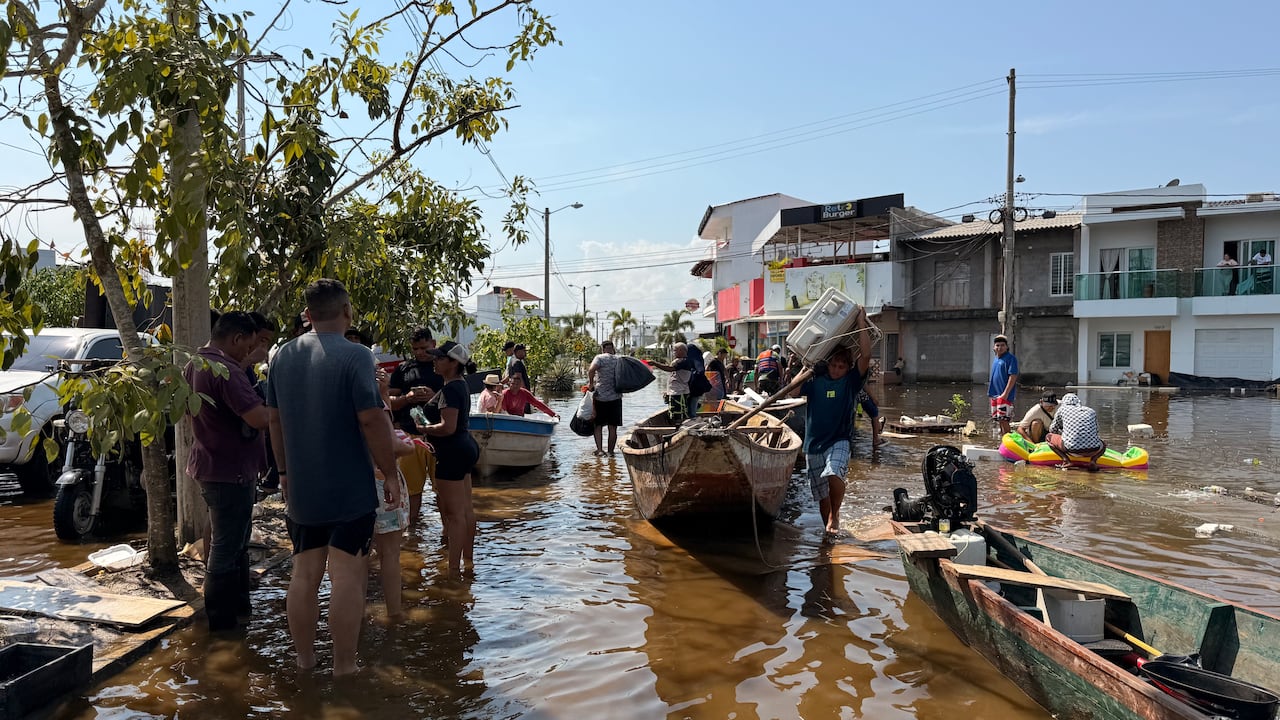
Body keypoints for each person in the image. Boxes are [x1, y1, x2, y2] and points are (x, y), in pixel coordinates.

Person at [266, 279, 401, 676]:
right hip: (349, 488)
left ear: (307, 314)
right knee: (346, 576)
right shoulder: (357, 356)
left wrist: (285, 471)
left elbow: (273, 420)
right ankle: (345, 667)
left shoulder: (281, 356)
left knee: (304, 574)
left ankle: (304, 662)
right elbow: (372, 419)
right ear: (347, 311)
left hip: (304, 488)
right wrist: (390, 473)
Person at [185, 311, 272, 632]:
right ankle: (223, 626)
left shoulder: (195, 362)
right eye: (248, 347)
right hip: (229, 469)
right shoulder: (227, 371)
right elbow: (259, 418)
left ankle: (237, 611)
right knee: (226, 548)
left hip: (211, 463)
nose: (248, 353)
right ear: (236, 339)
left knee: (233, 543)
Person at [791, 307, 873, 538]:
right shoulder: (816, 381)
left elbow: (865, 356)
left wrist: (860, 322)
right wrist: (807, 370)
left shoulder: (850, 382)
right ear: (827, 365)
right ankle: (829, 529)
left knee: (833, 473)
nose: (837, 370)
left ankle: (835, 515)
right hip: (813, 444)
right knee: (820, 494)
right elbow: (792, 392)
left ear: (847, 368)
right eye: (833, 365)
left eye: (841, 366)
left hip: (839, 440)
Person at [414, 340, 480, 577]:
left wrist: (424, 428)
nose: (434, 361)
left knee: (454, 515)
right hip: (465, 447)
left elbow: (448, 427)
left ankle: (453, 571)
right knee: (465, 510)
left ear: (453, 363)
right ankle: (468, 562)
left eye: (440, 358)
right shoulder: (459, 385)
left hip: (451, 451)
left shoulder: (451, 388)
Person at [387, 328, 442, 525]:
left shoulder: (443, 366)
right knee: (411, 491)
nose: (420, 352)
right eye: (415, 349)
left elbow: (458, 396)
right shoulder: (404, 369)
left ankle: (447, 536)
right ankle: (412, 534)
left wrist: (434, 397)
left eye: (424, 348)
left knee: (443, 490)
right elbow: (389, 401)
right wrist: (407, 398)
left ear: (433, 344)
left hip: (440, 436)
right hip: (411, 437)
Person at [373, 366, 415, 623]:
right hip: (382, 484)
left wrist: (385, 394)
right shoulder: (374, 406)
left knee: (353, 559)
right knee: (389, 555)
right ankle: (395, 614)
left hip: (349, 486)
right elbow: (390, 444)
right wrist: (408, 446)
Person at [1045, 393, 1106, 472]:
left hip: (1072, 449)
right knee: (1103, 444)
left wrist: (1062, 434)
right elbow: (1097, 430)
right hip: (1094, 449)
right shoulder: (1091, 411)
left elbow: (1052, 430)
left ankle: (1066, 460)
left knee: (1048, 437)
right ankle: (1093, 461)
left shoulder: (1062, 410)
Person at [586, 340, 622, 456]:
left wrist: (591, 384)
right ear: (612, 348)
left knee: (598, 425)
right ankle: (611, 452)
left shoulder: (599, 358)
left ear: (603, 349)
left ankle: (600, 450)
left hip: (600, 396)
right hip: (615, 397)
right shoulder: (618, 359)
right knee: (613, 427)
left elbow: (591, 370)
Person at [651, 342, 694, 423]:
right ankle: (677, 427)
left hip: (679, 392)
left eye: (675, 350)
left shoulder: (684, 362)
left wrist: (655, 363)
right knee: (674, 412)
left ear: (682, 351)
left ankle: (679, 428)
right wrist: (667, 391)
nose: (674, 353)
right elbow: (672, 375)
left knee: (678, 413)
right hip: (675, 391)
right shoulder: (679, 361)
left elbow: (670, 369)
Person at [988, 334, 1019, 435]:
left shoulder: (1010, 358)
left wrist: (1006, 393)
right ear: (994, 347)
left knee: (1004, 420)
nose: (999, 348)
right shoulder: (996, 359)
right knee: (999, 420)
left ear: (1007, 347)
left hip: (1004, 395)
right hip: (994, 394)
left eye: (1002, 345)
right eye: (997, 345)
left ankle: (1008, 444)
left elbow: (1013, 376)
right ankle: (1002, 444)